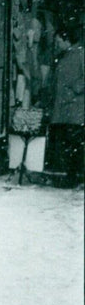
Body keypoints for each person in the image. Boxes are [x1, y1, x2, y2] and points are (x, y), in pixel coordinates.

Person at [44, 22, 84, 187]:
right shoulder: (63, 56)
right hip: (62, 107)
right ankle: (70, 175)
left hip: (75, 108)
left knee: (74, 143)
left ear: (66, 39)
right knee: (66, 143)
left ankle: (76, 176)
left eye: (59, 41)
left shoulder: (80, 53)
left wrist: (76, 88)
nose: (57, 44)